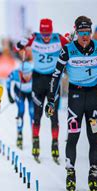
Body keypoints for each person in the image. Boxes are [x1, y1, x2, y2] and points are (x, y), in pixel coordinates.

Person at [45, 16, 97, 191]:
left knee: (94, 138)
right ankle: (71, 174)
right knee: (73, 137)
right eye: (81, 33)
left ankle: (93, 175)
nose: (85, 36)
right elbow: (55, 75)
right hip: (76, 97)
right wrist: (51, 100)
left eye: (88, 32)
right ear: (76, 32)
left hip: (94, 96)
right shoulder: (67, 51)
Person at [16, 18, 69, 161]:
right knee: (37, 114)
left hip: (53, 79)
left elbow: (73, 48)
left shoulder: (58, 38)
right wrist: (22, 43)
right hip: (38, 79)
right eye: (44, 33)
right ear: (40, 31)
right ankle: (36, 143)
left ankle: (55, 144)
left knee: (54, 115)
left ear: (51, 31)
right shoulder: (35, 37)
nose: (46, 37)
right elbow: (18, 47)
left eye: (48, 34)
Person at [6, 62, 34, 150]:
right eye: (25, 74)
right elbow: (8, 81)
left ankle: (34, 135)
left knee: (32, 112)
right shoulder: (15, 73)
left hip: (31, 92)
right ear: (20, 72)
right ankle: (19, 134)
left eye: (29, 73)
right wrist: (9, 95)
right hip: (19, 91)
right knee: (21, 111)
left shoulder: (34, 72)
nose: (27, 76)